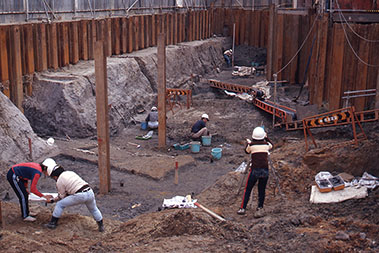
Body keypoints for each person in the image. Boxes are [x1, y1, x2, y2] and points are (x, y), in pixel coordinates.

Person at [42, 158, 104, 232]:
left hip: (80, 195)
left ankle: (52, 223)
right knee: (93, 209)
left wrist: (52, 200)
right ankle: (101, 226)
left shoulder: (59, 180)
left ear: (54, 175)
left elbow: (62, 196)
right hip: (89, 192)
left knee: (60, 204)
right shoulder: (69, 172)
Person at [237, 127, 273, 218]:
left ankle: (243, 208)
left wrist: (248, 143)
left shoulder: (252, 145)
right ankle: (260, 207)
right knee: (262, 190)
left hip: (254, 170)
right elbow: (272, 145)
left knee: (248, 189)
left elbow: (246, 151)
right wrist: (267, 137)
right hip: (265, 170)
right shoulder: (266, 145)